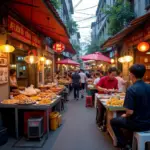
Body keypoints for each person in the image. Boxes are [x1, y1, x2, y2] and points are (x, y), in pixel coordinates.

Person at [111, 64, 150, 150]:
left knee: (113, 121)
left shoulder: (131, 89)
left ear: (132, 74)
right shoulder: (149, 86)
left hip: (138, 124)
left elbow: (129, 112)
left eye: (129, 73)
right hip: (148, 122)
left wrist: (125, 115)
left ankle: (124, 145)